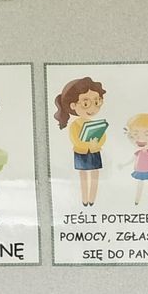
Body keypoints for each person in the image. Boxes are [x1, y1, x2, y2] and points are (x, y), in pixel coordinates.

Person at [55, 77, 108, 209]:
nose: (93, 108)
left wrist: (97, 144)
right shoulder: (75, 125)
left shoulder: (94, 123)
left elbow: (102, 136)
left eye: (97, 102)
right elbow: (76, 140)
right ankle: (84, 199)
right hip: (81, 153)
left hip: (95, 152)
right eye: (86, 104)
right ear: (73, 105)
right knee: (83, 176)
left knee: (95, 175)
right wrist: (90, 144)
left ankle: (92, 199)